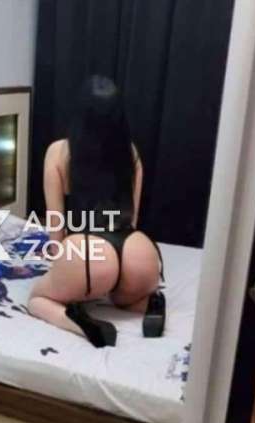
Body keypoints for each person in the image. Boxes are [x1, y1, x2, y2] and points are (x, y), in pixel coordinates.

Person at [28, 75, 166, 348]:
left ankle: (79, 322)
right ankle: (150, 303)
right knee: (123, 299)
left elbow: (56, 222)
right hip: (138, 252)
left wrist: (61, 265)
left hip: (89, 255)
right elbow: (132, 217)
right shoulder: (131, 151)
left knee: (37, 299)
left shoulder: (58, 151)